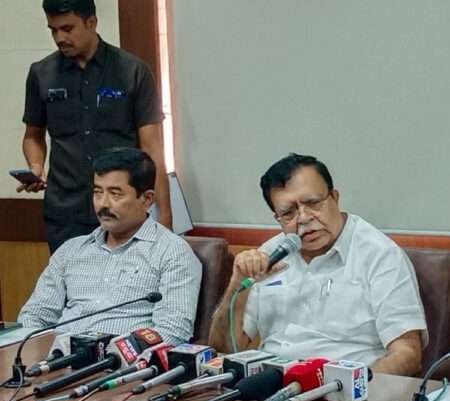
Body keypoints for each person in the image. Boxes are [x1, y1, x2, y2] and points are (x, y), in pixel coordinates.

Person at [208, 153, 428, 375]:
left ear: (334, 197)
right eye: (288, 213)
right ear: (277, 218)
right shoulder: (269, 255)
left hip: (344, 387)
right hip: (272, 383)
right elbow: (223, 350)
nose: (304, 218)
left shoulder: (380, 255)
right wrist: (238, 285)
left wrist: (356, 386)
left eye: (313, 203)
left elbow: (407, 354)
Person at [18, 0, 171, 253]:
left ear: (91, 22)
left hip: (123, 211)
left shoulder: (133, 71)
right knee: (70, 278)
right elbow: (32, 136)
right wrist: (35, 166)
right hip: (65, 212)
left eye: (67, 29)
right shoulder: (41, 74)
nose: (59, 38)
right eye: (53, 30)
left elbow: (152, 148)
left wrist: (164, 216)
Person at [18, 148, 200, 346]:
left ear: (147, 199)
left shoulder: (171, 252)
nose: (103, 204)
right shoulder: (71, 251)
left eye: (115, 194)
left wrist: (114, 355)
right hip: (58, 356)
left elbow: (173, 331)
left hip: (123, 361)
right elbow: (34, 315)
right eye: (97, 192)